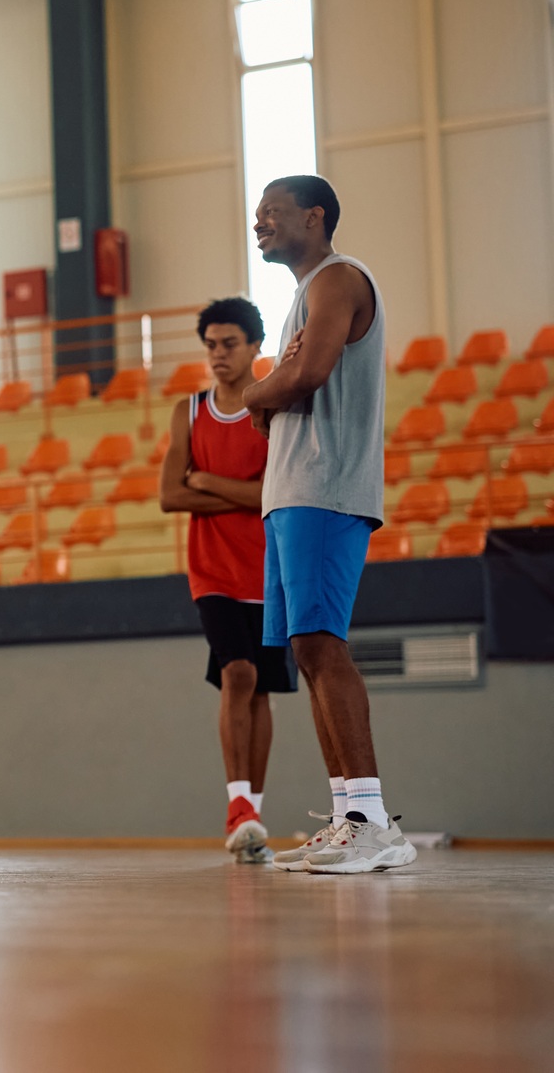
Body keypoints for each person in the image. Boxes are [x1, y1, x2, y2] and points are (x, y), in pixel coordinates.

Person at [242, 174, 415, 874]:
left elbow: (305, 376)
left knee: (324, 644)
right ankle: (350, 813)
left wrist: (258, 390)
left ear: (314, 217)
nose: (260, 224)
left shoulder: (338, 279)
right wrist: (269, 386)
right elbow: (286, 380)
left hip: (324, 486)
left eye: (272, 213)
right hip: (291, 491)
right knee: (308, 651)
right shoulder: (306, 293)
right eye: (256, 216)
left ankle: (372, 821)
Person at [159, 297, 298, 864]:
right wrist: (235, 491)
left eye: (230, 344)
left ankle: (253, 816)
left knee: (261, 689)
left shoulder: (273, 407)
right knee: (237, 672)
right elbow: (170, 494)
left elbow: (271, 493)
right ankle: (237, 804)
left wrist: (207, 480)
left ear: (254, 346)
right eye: (211, 345)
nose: (218, 355)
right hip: (212, 571)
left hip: (269, 570)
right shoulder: (188, 411)